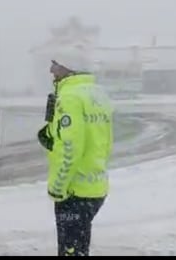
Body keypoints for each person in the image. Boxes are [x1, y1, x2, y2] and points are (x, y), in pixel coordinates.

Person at [37, 50, 114, 256]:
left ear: (68, 67)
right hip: (95, 187)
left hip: (73, 191)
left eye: (56, 65)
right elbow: (103, 141)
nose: (51, 70)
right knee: (79, 247)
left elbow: (70, 148)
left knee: (69, 250)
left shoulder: (70, 97)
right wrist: (49, 131)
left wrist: (57, 188)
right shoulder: (97, 94)